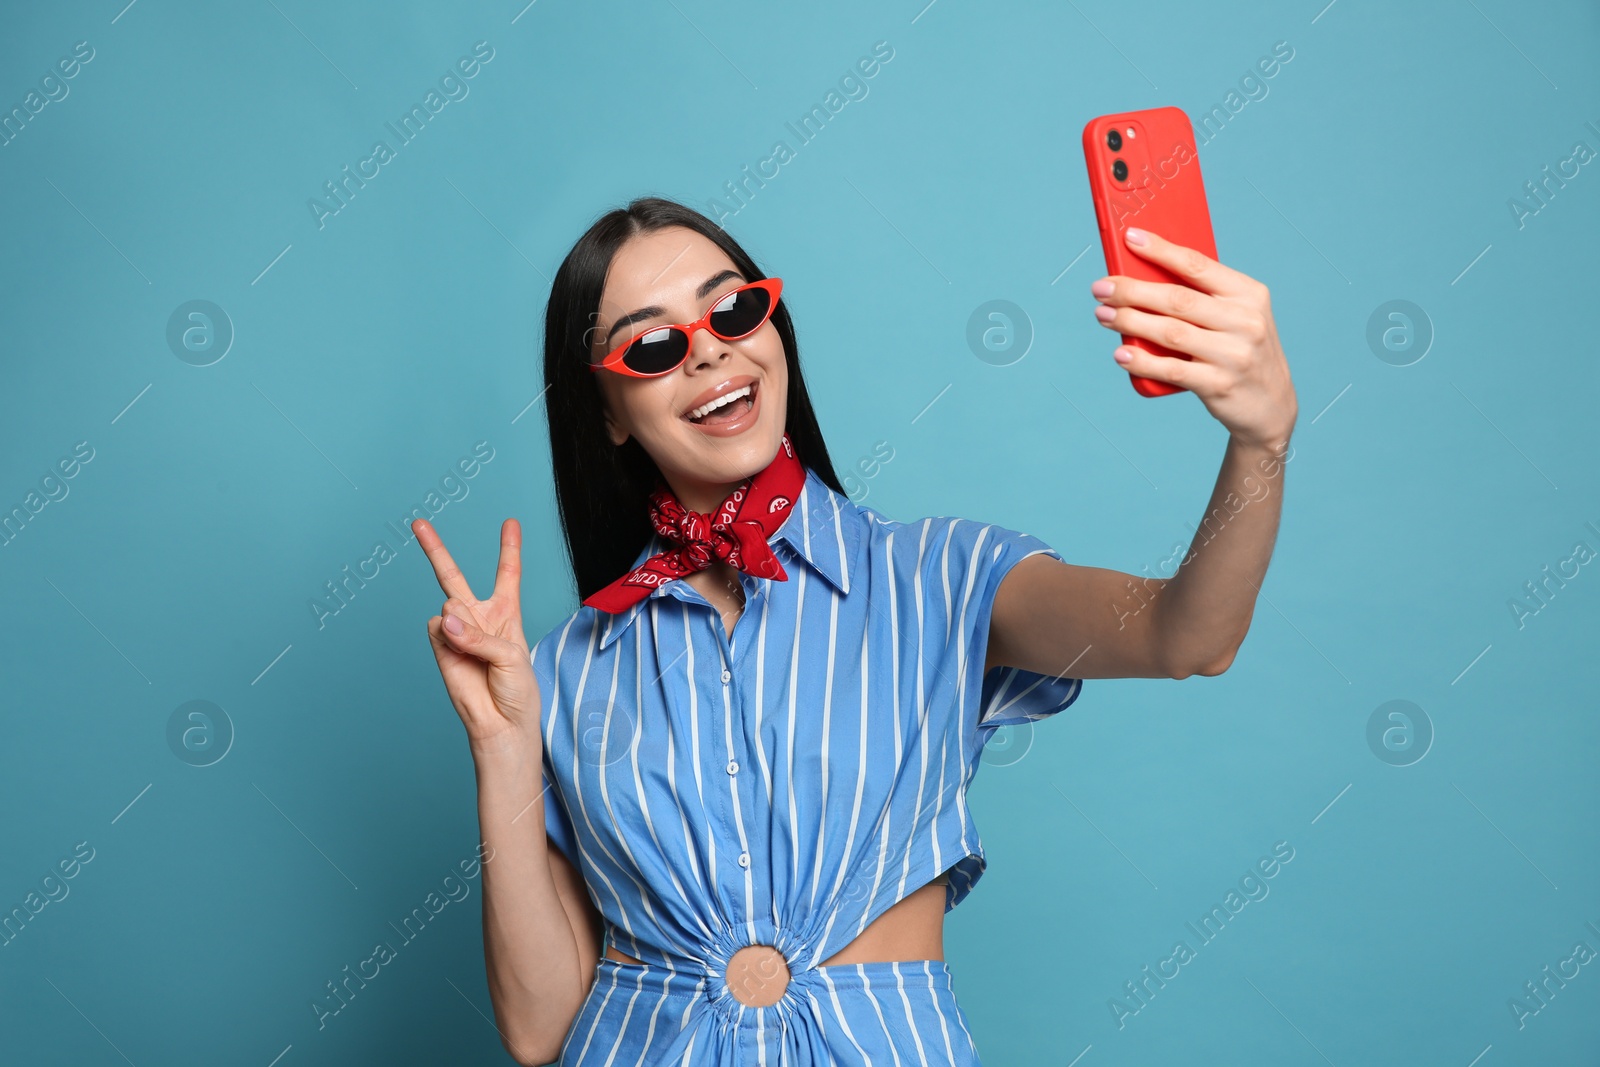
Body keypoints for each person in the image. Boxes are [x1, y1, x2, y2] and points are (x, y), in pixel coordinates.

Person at [413, 197, 1297, 1065]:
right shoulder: (567, 666)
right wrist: (502, 743)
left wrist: (1261, 443)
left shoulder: (941, 579)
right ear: (606, 411)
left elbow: (1186, 634)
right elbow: (538, 1030)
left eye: (732, 308)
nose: (711, 348)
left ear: (772, 327)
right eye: (652, 344)